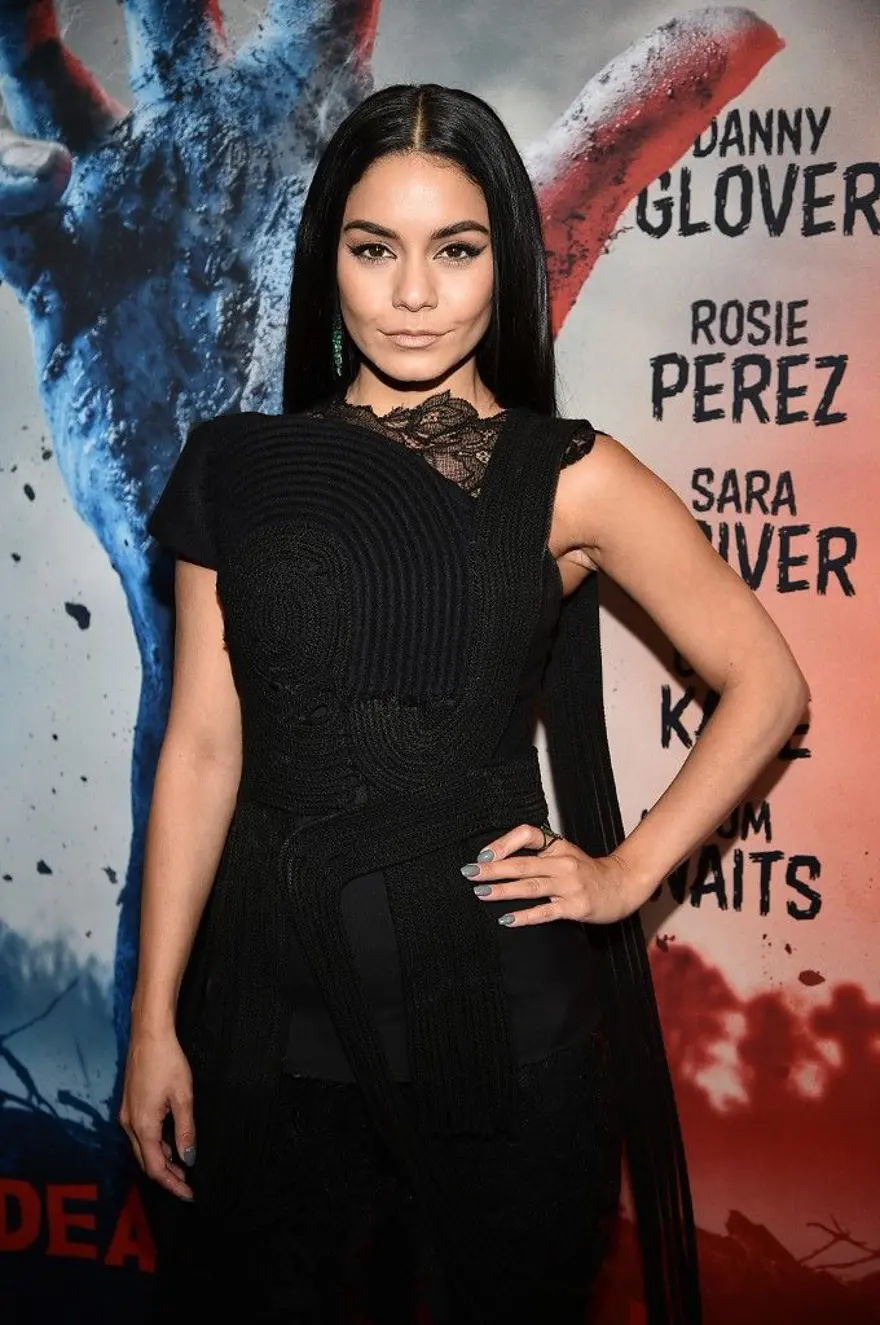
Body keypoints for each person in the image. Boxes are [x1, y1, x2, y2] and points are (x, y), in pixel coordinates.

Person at [121, 83, 809, 1324]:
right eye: (372, 248)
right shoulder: (236, 467)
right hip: (264, 1035)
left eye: (455, 250)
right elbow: (205, 748)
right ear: (328, 258)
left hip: (498, 1050)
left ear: (506, 264)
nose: (412, 293)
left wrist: (624, 871)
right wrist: (153, 1017)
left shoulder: (569, 475)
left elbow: (767, 683)